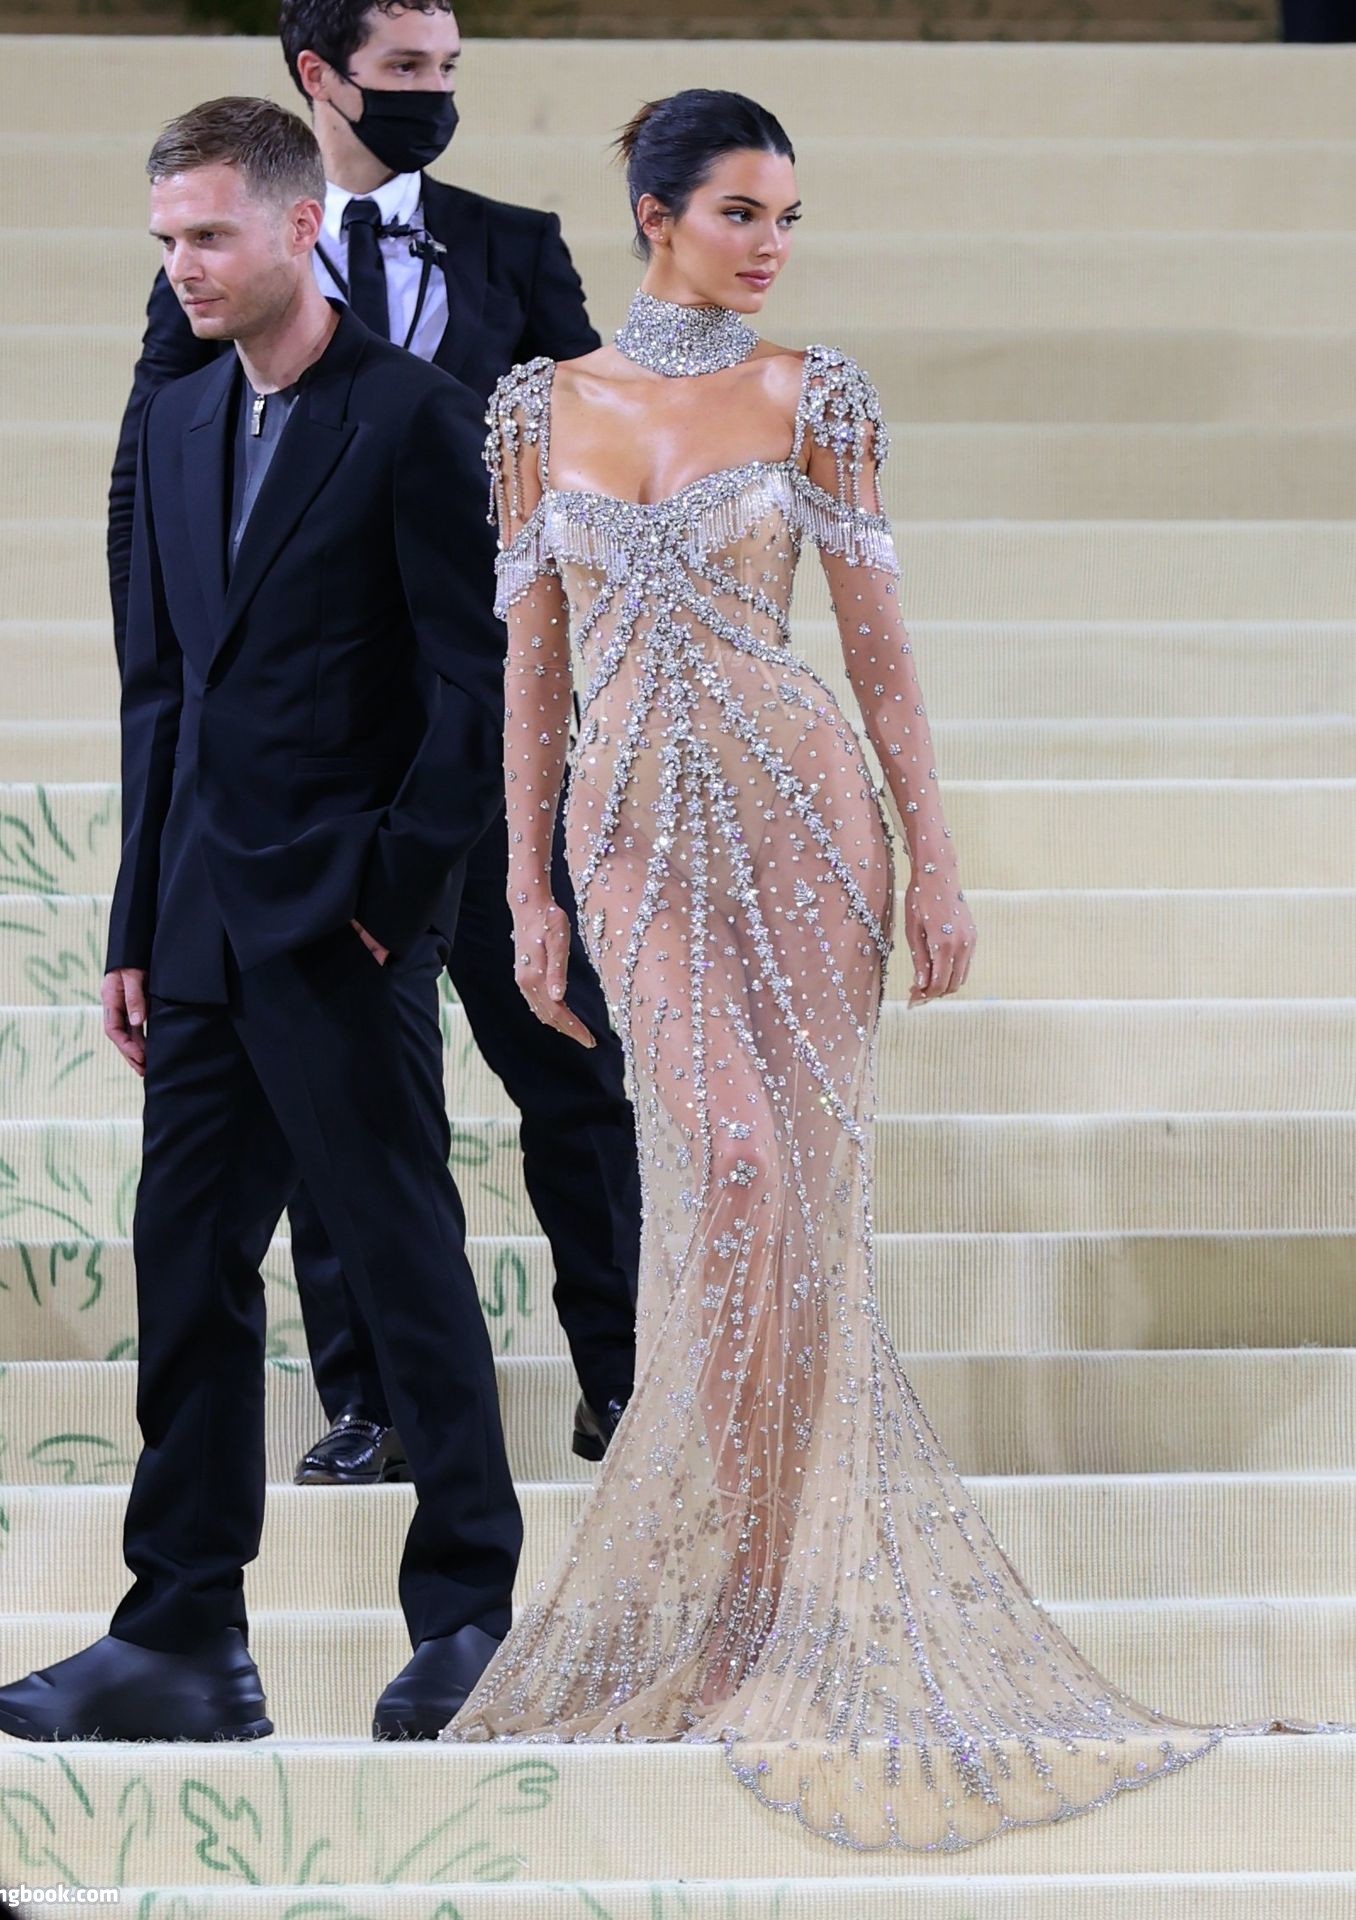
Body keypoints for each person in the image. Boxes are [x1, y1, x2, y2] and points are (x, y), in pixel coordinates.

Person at [438, 89, 1331, 1848]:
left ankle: (778, 1615)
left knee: (796, 1209)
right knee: (729, 1179)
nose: (771, 246)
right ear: (654, 216)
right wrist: (526, 890)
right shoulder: (538, 410)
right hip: (627, 842)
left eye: (789, 218)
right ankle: (733, 1604)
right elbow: (529, 667)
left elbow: (879, 648)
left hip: (802, 819)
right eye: (742, 213)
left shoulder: (811, 393)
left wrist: (938, 859)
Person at [0, 97, 519, 1743]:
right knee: (191, 1276)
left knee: (401, 1263)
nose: (184, 266)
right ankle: (181, 1638)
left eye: (210, 234)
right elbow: (163, 692)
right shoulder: (175, 423)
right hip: (202, 921)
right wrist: (134, 921)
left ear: (301, 226)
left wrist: (392, 898)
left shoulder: (418, 419)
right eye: (167, 238)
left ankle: (470, 1619)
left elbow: (482, 691)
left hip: (343, 926)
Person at [108, 0, 640, 1491]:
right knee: (335, 1102)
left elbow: (597, 468)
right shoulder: (213, 261)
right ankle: (377, 1401)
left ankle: (626, 1379)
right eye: (406, 68)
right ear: (319, 77)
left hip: (485, 754)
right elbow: (153, 484)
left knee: (571, 1067)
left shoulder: (512, 248)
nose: (433, 91)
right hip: (315, 783)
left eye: (446, 68)